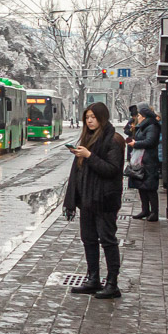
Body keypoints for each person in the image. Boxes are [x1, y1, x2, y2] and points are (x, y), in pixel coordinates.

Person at [63, 101, 127, 299]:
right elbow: (80, 171)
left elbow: (112, 170)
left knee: (107, 240)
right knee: (88, 239)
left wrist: (89, 156)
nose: (90, 121)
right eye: (87, 117)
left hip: (105, 200)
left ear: (102, 117)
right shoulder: (88, 137)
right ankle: (93, 279)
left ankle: (112, 283)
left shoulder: (114, 140)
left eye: (93, 117)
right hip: (87, 200)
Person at [127, 104, 161, 221]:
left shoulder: (152, 126)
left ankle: (154, 212)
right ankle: (145, 210)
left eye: (140, 115)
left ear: (145, 117)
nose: (138, 117)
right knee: (141, 185)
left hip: (149, 160)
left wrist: (135, 144)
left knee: (150, 187)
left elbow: (150, 141)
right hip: (141, 160)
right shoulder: (143, 126)